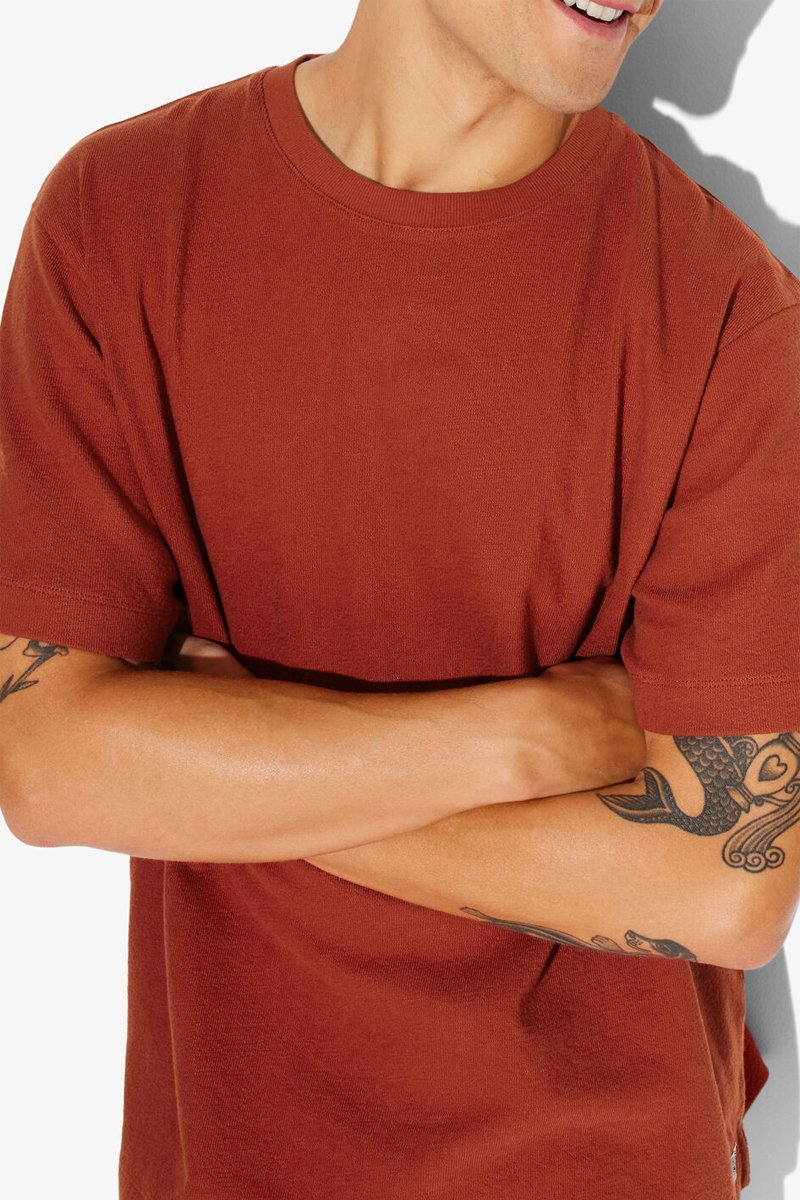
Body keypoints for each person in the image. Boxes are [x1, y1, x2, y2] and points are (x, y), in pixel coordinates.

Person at [1, 0, 799, 1195]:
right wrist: (523, 738)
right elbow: (43, 764)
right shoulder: (120, 215)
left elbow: (723, 886)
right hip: (230, 1159)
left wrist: (216, 767)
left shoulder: (728, 313)